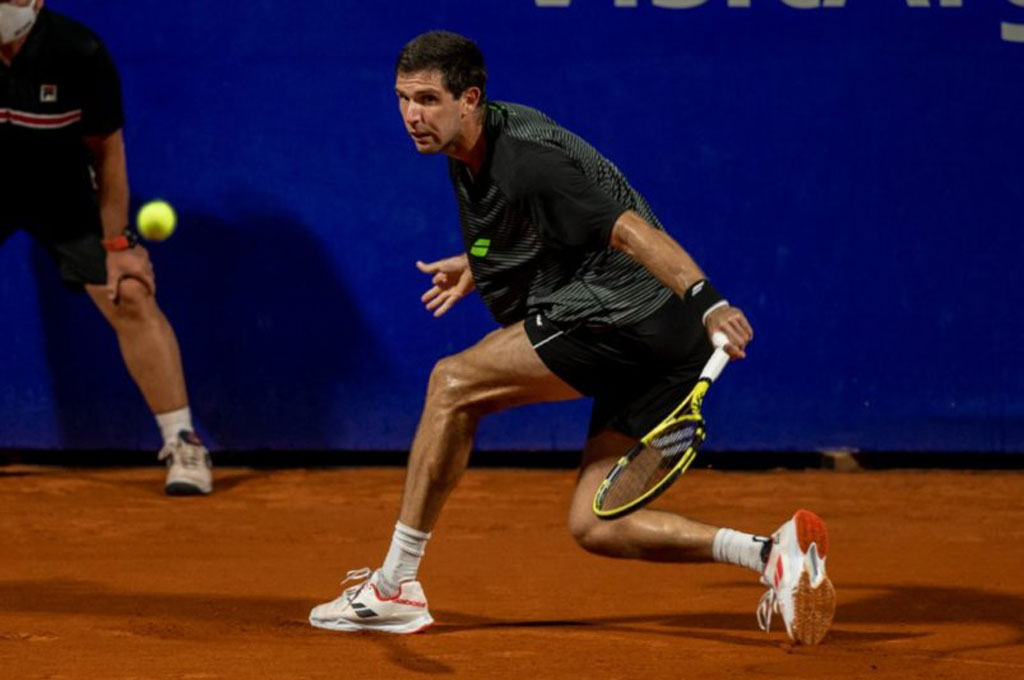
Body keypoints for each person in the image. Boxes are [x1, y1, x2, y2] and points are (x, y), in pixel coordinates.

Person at [310, 31, 834, 643]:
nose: (411, 115)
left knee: (452, 384)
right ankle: (772, 555)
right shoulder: (477, 146)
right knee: (596, 523)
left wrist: (707, 301)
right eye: (402, 99)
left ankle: (395, 585)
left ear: (469, 99)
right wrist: (479, 264)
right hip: (661, 338)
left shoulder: (524, 159)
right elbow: (553, 229)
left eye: (427, 99)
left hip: (624, 318)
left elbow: (627, 231)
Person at [0, 0, 212, 495]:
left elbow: (108, 152)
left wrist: (117, 246)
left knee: (130, 292)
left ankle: (183, 442)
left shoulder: (80, 51)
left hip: (64, 196)